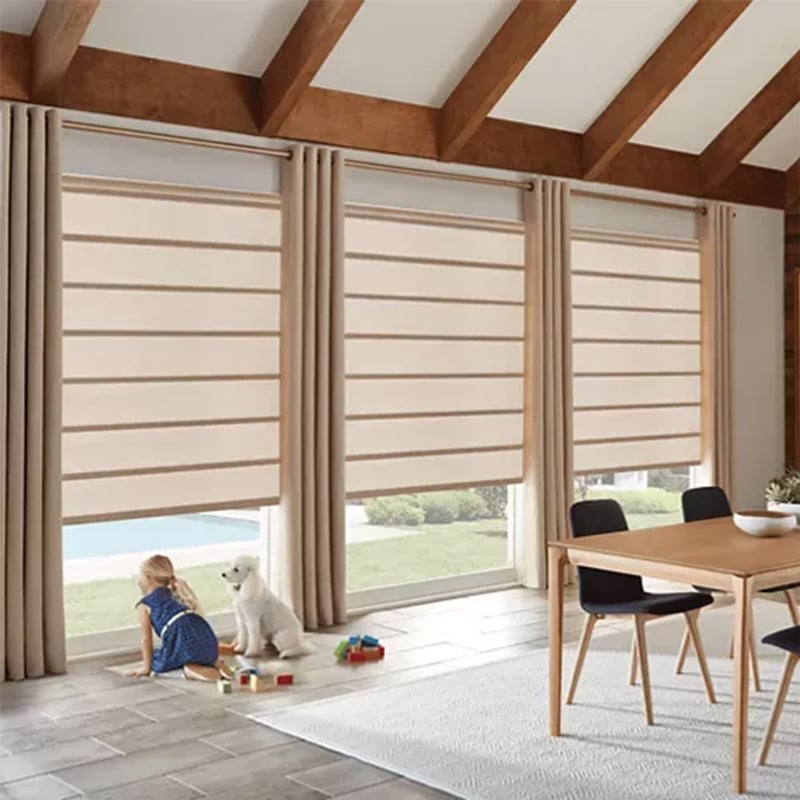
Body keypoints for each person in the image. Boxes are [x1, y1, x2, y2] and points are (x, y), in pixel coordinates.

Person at [128, 554, 226, 681]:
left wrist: (147, 668)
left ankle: (188, 670)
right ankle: (213, 662)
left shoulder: (145, 605)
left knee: (157, 662)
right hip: (206, 637)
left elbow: (146, 640)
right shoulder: (177, 593)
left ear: (148, 578)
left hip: (182, 640)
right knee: (189, 649)